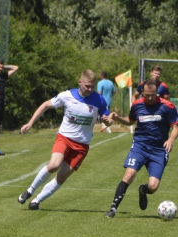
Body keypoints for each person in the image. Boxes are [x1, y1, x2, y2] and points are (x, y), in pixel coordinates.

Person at [18, 69, 113, 210]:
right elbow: (45, 105)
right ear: (80, 82)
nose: (90, 89)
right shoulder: (67, 96)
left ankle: (36, 201)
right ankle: (30, 190)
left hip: (82, 146)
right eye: (87, 86)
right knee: (53, 165)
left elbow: (108, 120)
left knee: (61, 177)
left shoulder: (99, 100)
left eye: (92, 86)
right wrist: (30, 123)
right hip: (64, 138)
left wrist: (107, 121)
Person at [103, 78, 178, 218]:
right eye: (147, 95)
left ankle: (143, 190)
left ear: (157, 91)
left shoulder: (167, 106)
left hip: (158, 150)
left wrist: (171, 139)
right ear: (142, 92)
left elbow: (176, 127)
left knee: (153, 186)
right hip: (140, 146)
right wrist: (118, 119)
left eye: (153, 94)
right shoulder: (137, 105)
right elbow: (130, 121)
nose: (150, 97)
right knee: (129, 174)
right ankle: (113, 209)